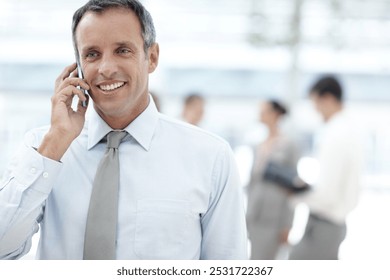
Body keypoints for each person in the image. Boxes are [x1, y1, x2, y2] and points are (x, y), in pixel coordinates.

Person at [0, 0, 247, 260]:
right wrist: (56, 142)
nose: (106, 68)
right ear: (78, 67)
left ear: (151, 58)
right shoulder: (44, 148)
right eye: (92, 54)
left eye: (122, 50)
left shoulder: (210, 157)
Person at [289, 75, 363, 260]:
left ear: (328, 98)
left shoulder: (336, 134)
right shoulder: (349, 129)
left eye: (316, 103)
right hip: (331, 224)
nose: (315, 110)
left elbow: (328, 194)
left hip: (325, 224)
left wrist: (297, 195)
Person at [246, 99, 300, 259]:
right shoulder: (258, 145)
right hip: (255, 216)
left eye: (264, 110)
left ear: (275, 114)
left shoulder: (289, 145)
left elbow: (293, 187)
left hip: (274, 219)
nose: (260, 114)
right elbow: (252, 184)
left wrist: (288, 224)